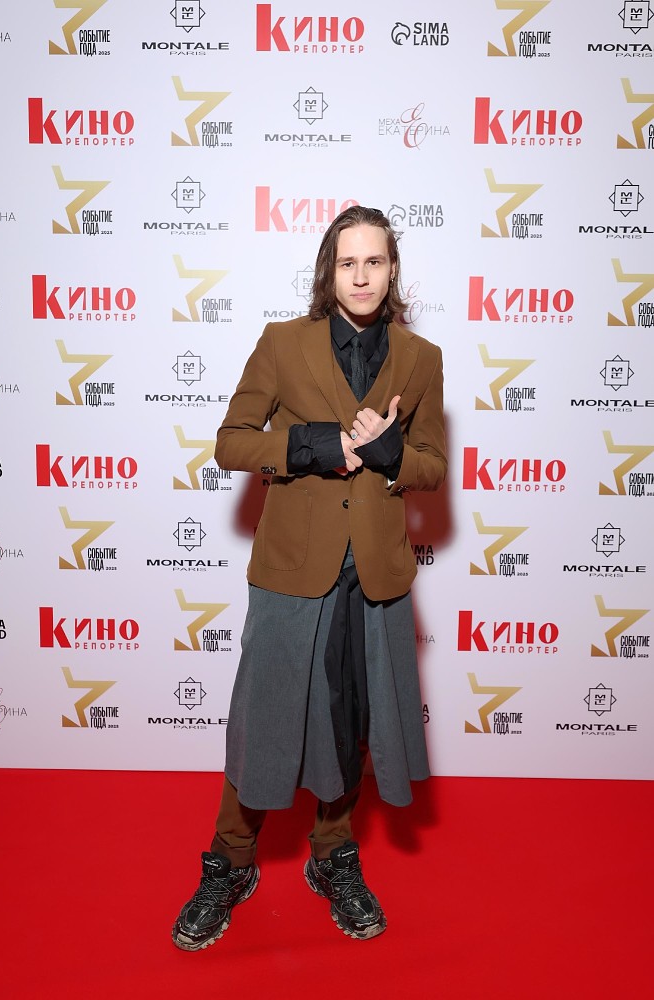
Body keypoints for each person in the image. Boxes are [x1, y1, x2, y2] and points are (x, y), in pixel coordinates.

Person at [172, 205, 447, 949]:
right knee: (264, 715)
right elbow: (231, 443)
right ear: (329, 271)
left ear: (392, 270)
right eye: (347, 262)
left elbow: (431, 466)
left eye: (375, 262)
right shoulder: (282, 342)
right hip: (292, 569)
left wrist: (390, 454)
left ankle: (332, 854)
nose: (361, 277)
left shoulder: (421, 358)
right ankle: (230, 861)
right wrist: (311, 445)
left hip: (375, 574)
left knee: (350, 719)